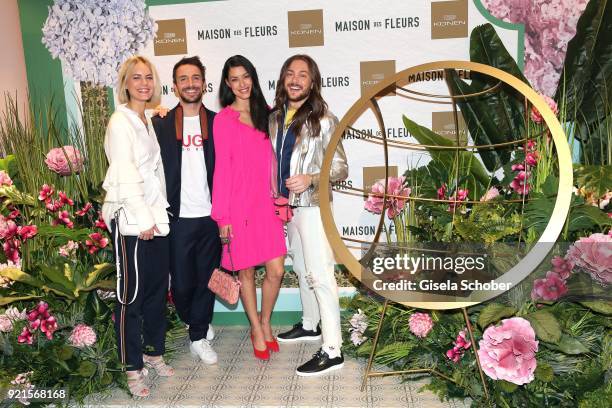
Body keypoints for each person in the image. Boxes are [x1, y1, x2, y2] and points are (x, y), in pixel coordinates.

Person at [270, 54, 348, 376]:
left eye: (302, 74)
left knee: (320, 274)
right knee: (301, 269)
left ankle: (332, 349)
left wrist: (312, 178)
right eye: (290, 73)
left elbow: (342, 168)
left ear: (312, 82)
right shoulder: (274, 118)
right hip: (287, 208)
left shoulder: (325, 119)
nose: (295, 79)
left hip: (313, 206)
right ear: (283, 79)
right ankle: (310, 324)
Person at [101, 55, 174, 397]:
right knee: (130, 297)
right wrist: (143, 219)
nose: (144, 83)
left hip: (156, 217)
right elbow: (125, 172)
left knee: (157, 292)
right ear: (125, 83)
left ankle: (154, 352)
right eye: (136, 78)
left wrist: (156, 217)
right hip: (132, 221)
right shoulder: (119, 121)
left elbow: (153, 169)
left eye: (149, 77)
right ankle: (132, 368)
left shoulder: (145, 119)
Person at [211, 55, 286, 361]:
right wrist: (222, 216)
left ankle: (266, 320)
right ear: (227, 84)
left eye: (246, 77)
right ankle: (256, 327)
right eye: (234, 79)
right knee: (246, 274)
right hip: (239, 207)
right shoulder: (223, 120)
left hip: (266, 205)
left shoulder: (268, 114)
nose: (242, 84)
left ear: (253, 78)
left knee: (276, 270)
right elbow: (222, 171)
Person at [151, 56, 220, 365]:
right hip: (177, 218)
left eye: (195, 78)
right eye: (183, 79)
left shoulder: (219, 123)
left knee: (208, 278)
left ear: (204, 83)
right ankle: (195, 319)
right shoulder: (160, 124)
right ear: (175, 85)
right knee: (180, 285)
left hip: (211, 216)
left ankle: (198, 334)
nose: (190, 83)